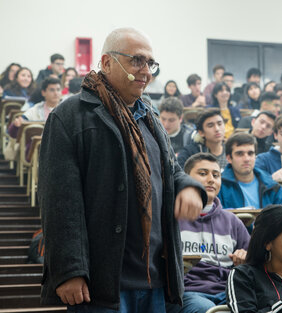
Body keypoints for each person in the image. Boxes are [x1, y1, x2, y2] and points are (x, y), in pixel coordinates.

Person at [38, 28, 206, 312]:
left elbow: (171, 171)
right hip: (102, 283)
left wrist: (188, 186)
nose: (146, 71)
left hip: (155, 278)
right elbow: (59, 202)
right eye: (136, 61)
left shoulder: (150, 116)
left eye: (150, 63)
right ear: (106, 63)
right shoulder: (70, 117)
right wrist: (70, 270)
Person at [169, 152, 250, 313]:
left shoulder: (233, 221)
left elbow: (254, 260)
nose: (211, 179)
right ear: (186, 180)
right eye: (203, 173)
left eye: (216, 175)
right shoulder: (172, 216)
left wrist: (245, 257)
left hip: (227, 290)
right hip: (187, 292)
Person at [219, 133, 282, 209]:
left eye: (250, 153)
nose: (246, 159)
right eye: (240, 154)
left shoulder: (273, 186)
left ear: (255, 156)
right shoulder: (218, 186)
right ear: (229, 158)